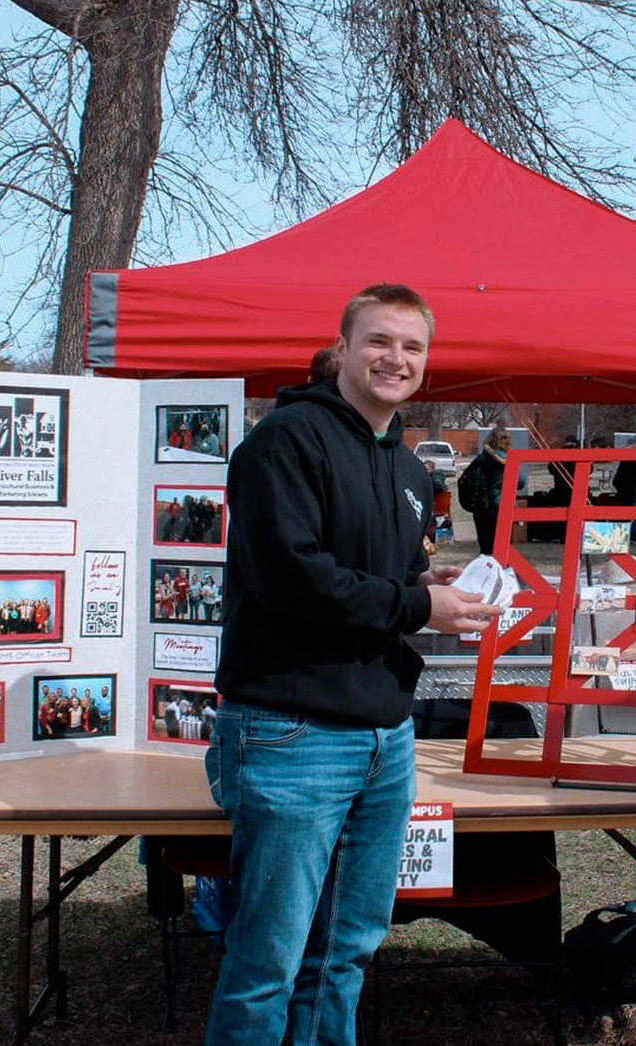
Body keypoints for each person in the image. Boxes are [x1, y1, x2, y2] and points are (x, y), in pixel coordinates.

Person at [205, 282, 501, 1046]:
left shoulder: (408, 471)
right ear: (342, 349)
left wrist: (424, 586)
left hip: (385, 737)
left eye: (412, 347)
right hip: (290, 731)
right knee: (268, 960)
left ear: (427, 364)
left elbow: (385, 582)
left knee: (346, 952)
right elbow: (291, 578)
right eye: (379, 341)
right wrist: (415, 607)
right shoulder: (285, 440)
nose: (394, 359)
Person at [471, 424, 511, 555]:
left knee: (486, 546)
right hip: (503, 502)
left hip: (482, 503)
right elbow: (521, 481)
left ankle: (486, 571)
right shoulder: (510, 457)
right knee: (502, 546)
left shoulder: (483, 457)